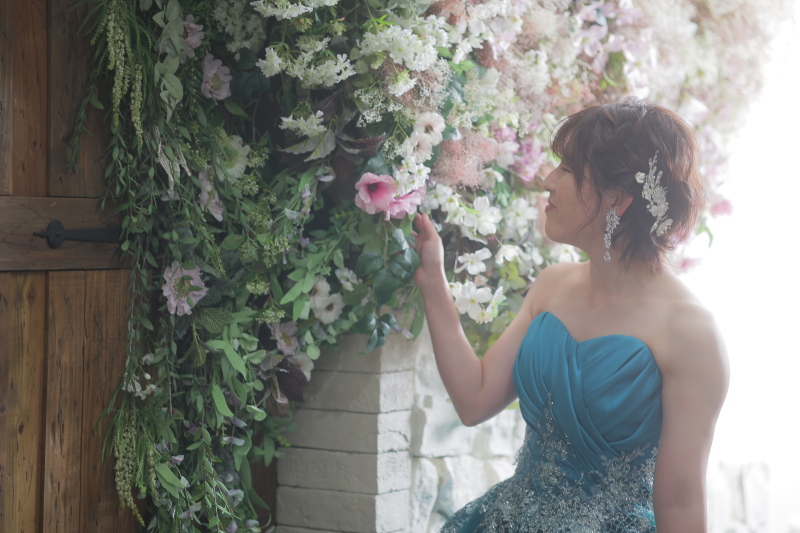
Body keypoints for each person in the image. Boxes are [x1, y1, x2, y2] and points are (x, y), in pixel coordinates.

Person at [412, 98, 729, 532]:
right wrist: (433, 280)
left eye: (566, 169)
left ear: (617, 199)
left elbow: (679, 504)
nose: (546, 181)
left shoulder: (691, 333)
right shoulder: (552, 285)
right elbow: (475, 398)